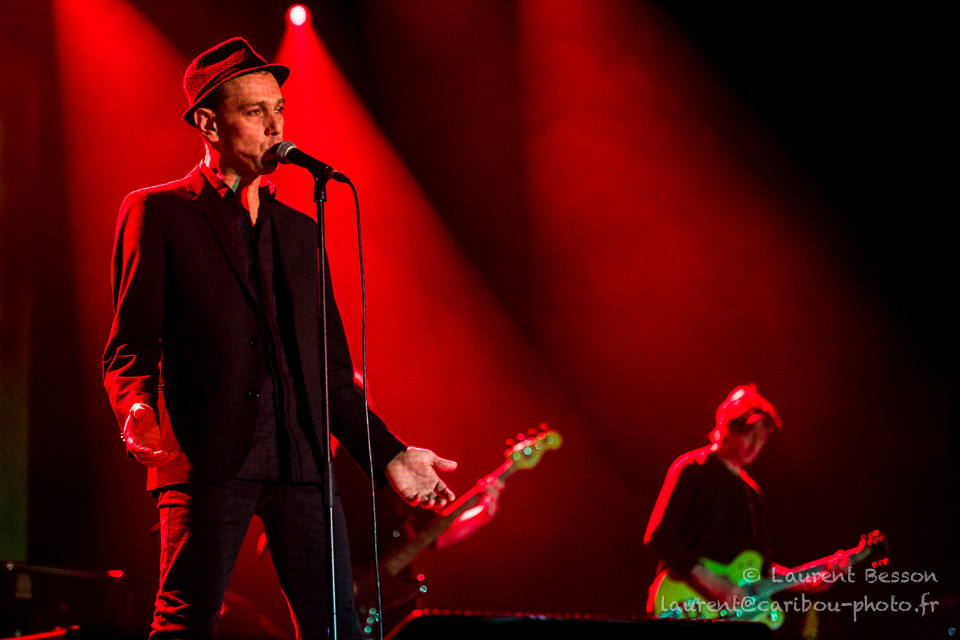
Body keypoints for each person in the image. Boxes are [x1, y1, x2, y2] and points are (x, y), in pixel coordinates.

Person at [102, 37, 457, 640]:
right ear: (209, 125)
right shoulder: (159, 213)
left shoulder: (299, 231)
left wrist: (390, 455)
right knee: (185, 622)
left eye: (280, 110)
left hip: (303, 460)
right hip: (208, 455)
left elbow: (331, 372)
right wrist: (135, 405)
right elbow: (130, 342)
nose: (275, 126)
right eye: (255, 111)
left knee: (337, 629)